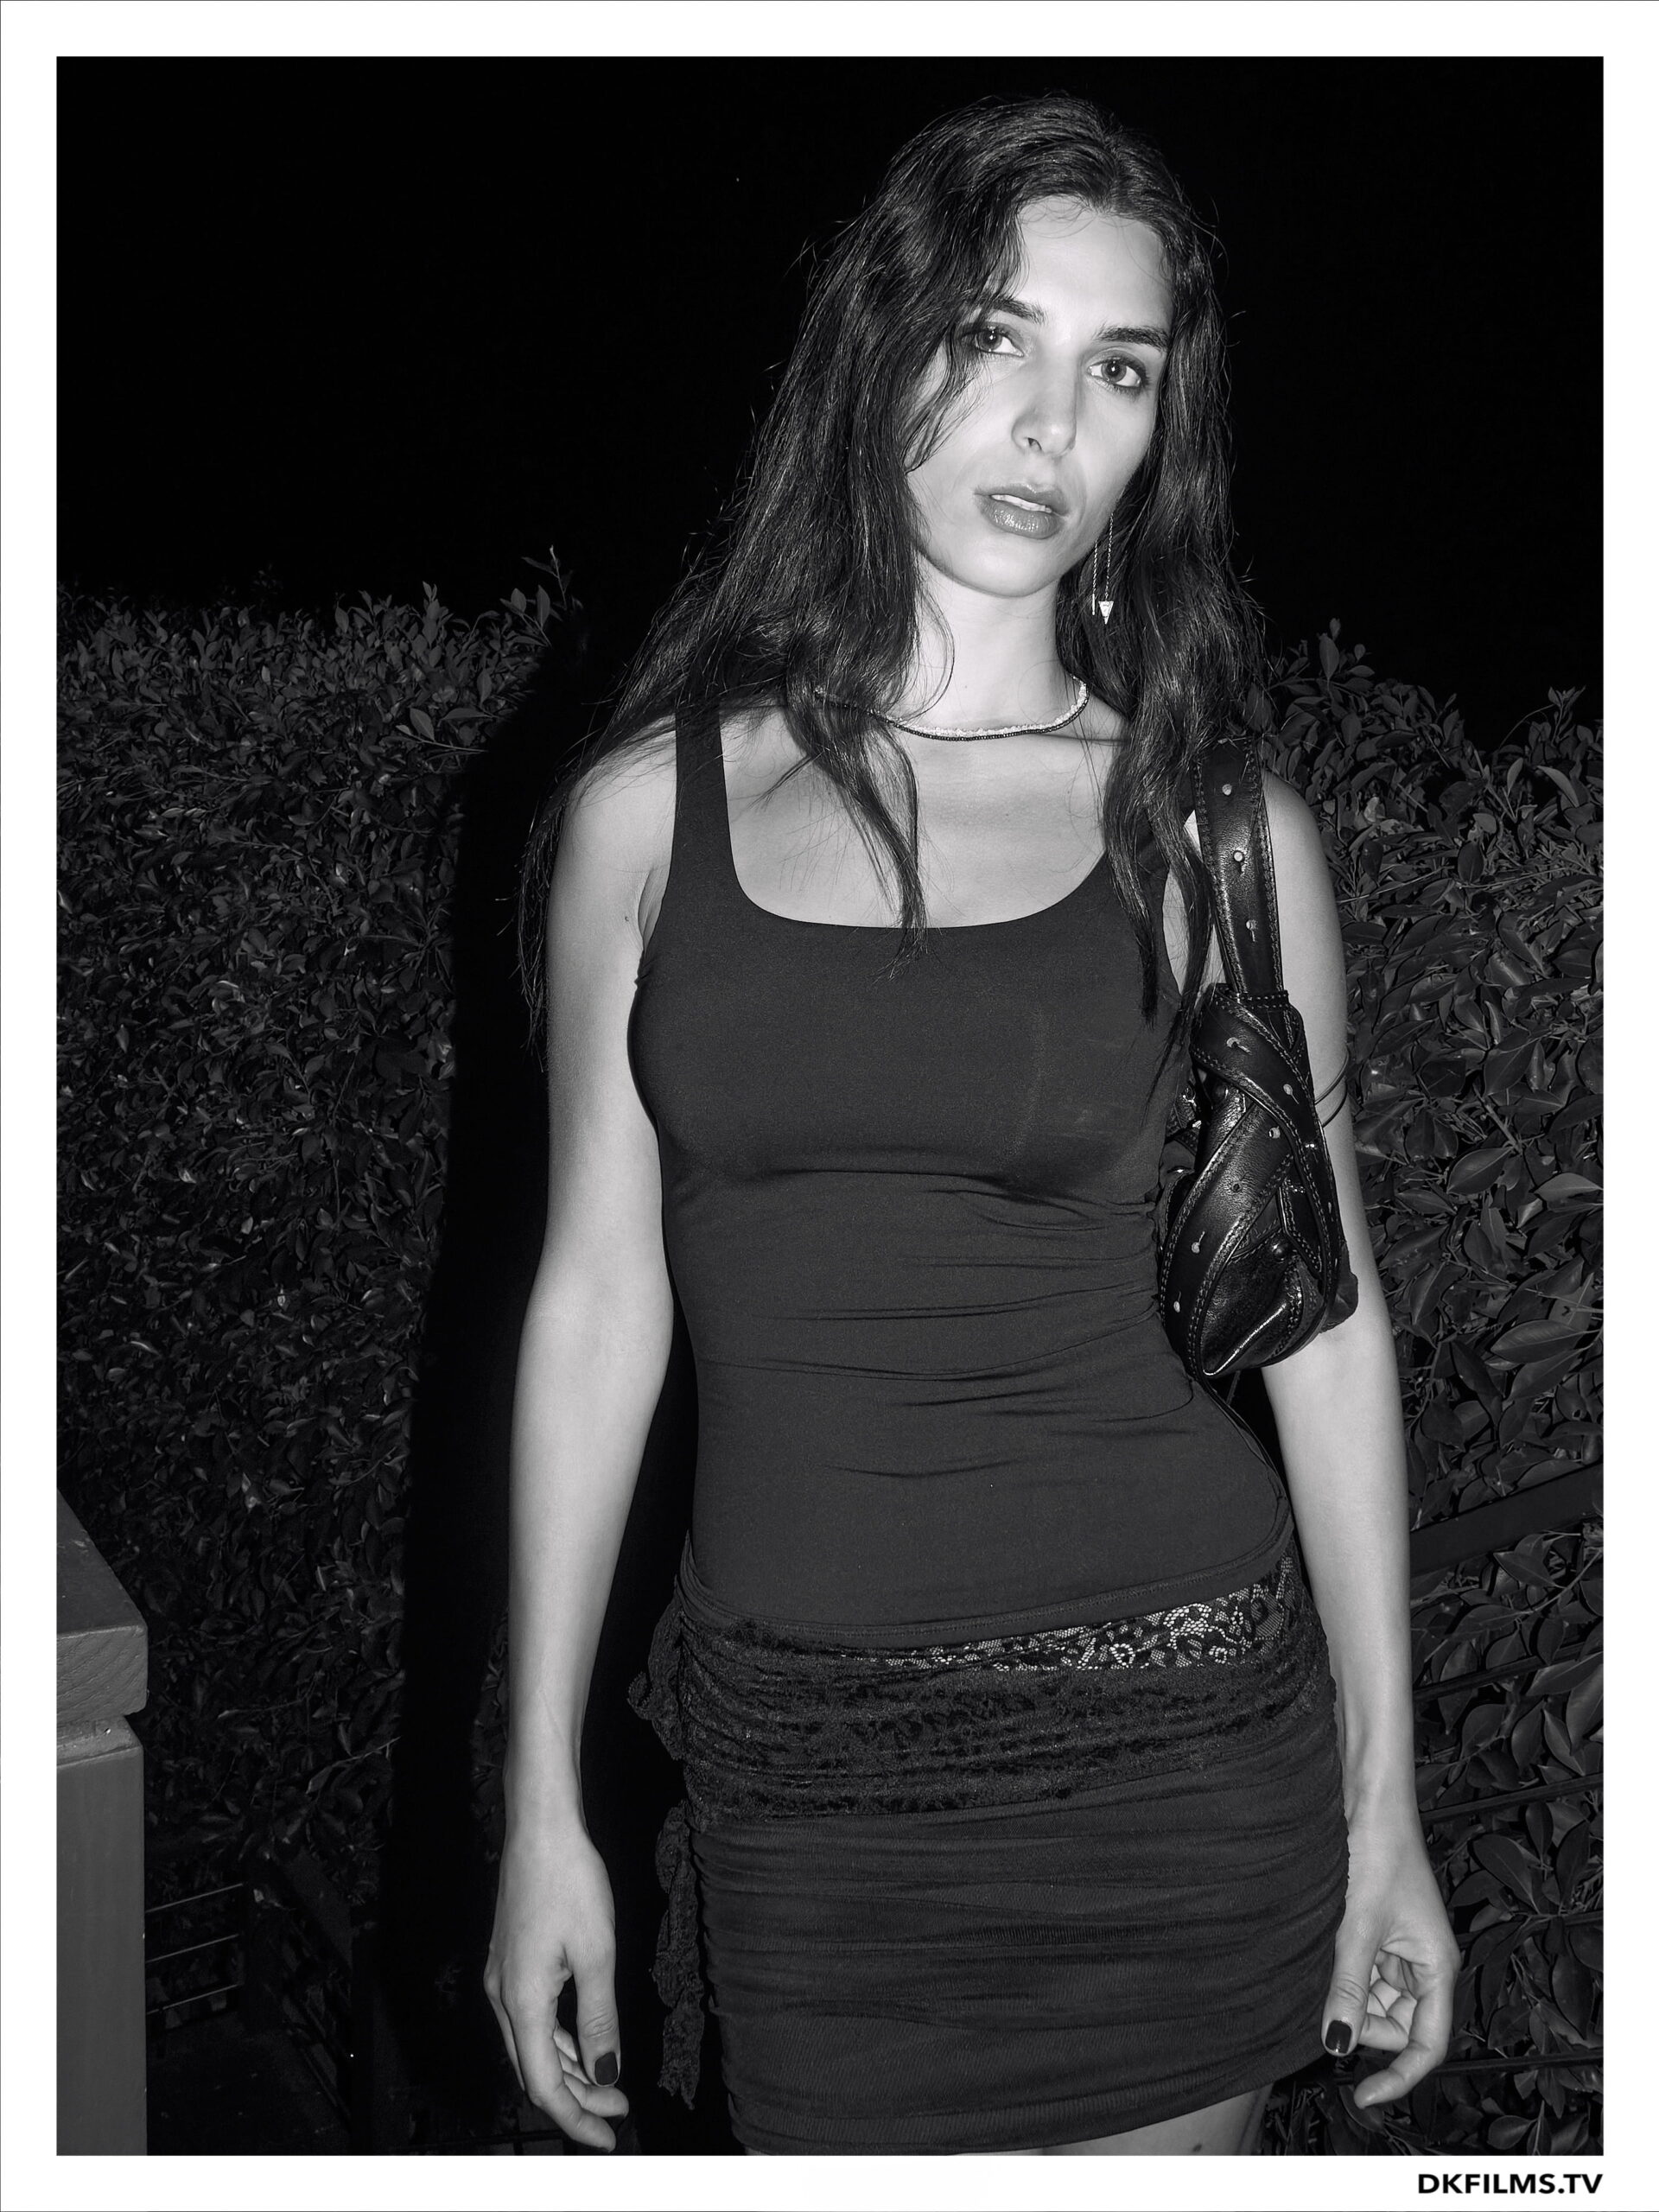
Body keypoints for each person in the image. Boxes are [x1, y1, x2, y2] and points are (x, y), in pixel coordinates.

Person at [484, 92, 1460, 2156]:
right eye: (996, 336)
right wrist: (542, 1801)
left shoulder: (1216, 836)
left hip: (1176, 1756)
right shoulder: (645, 818)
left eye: (1121, 370)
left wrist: (1388, 1804)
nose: (1050, 425)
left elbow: (1326, 1327)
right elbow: (593, 1308)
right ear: (884, 345)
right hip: (806, 1780)